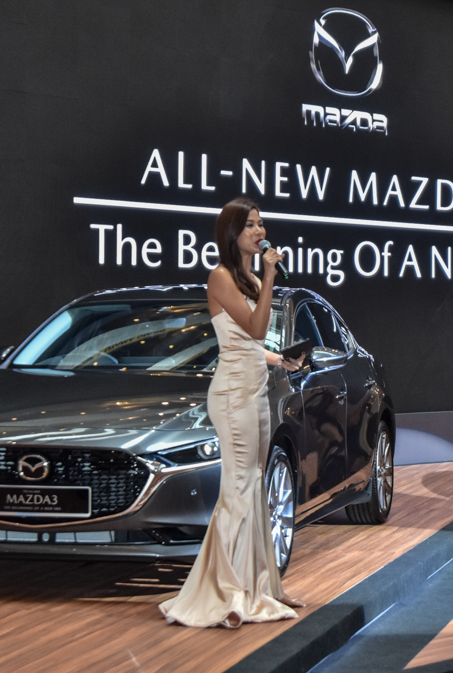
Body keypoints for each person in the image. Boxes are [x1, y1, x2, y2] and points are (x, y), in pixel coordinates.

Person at [159, 196, 306, 628]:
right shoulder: (221, 277)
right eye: (251, 226)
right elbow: (256, 328)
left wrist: (281, 360)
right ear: (232, 233)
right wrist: (271, 276)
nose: (260, 232)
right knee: (238, 487)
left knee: (254, 485)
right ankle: (227, 591)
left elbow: (251, 343)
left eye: (261, 224)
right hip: (232, 395)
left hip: (256, 390)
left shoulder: (250, 278)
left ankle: (258, 584)